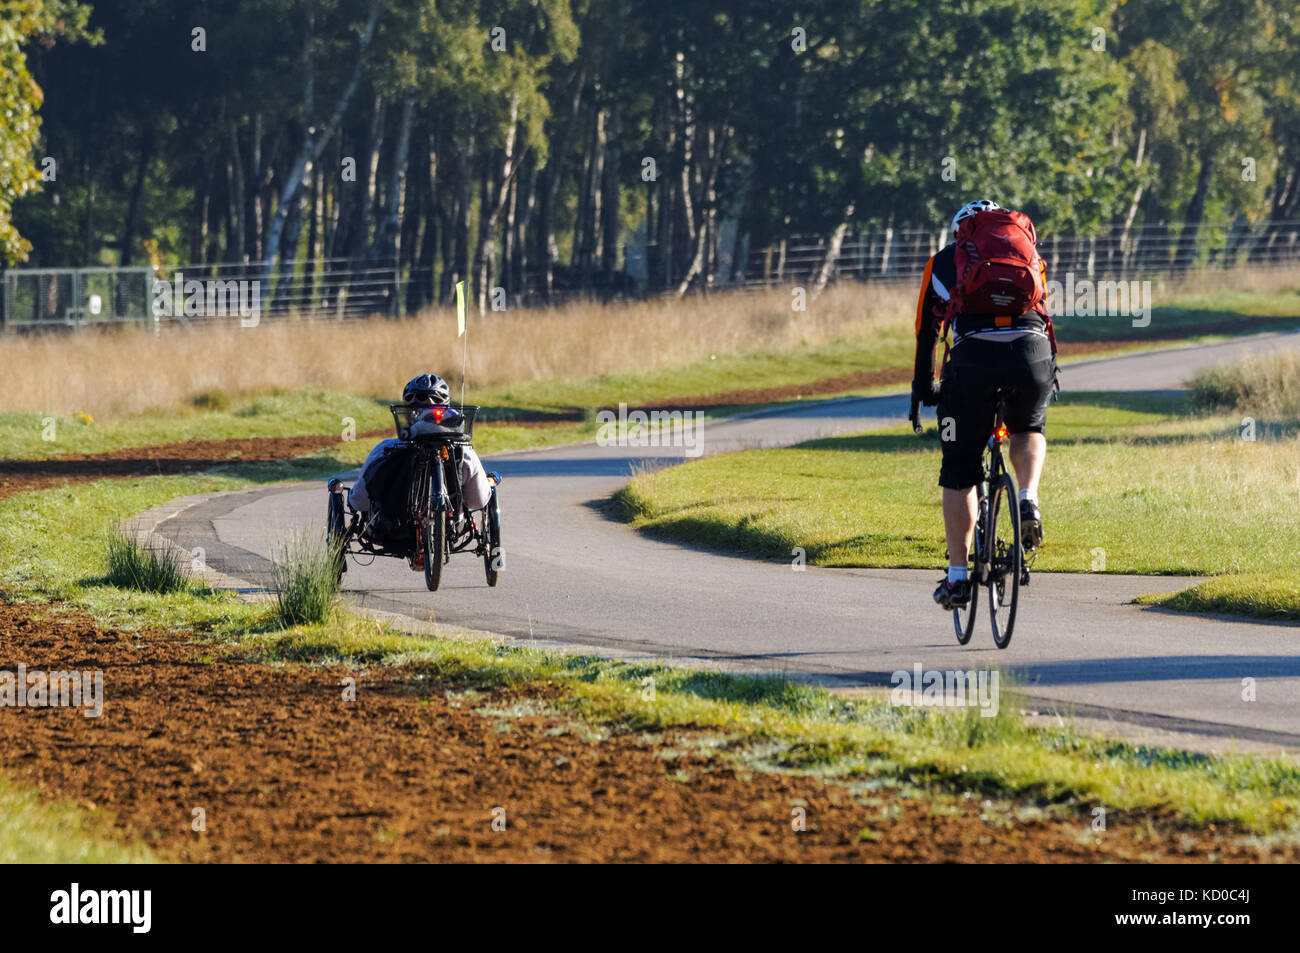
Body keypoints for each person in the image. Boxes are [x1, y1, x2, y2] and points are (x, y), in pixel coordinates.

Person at [911, 199, 1058, 610]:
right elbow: (1043, 312)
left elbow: (927, 333)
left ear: (960, 231)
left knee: (959, 470)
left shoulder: (944, 262)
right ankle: (1027, 496)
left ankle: (958, 579)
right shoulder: (1028, 255)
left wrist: (924, 389)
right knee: (1029, 429)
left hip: (974, 363)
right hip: (1032, 356)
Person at [348, 373, 494, 549]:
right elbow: (477, 501)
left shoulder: (386, 450)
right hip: (451, 531)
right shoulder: (464, 452)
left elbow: (359, 501)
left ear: (408, 412)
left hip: (390, 531)